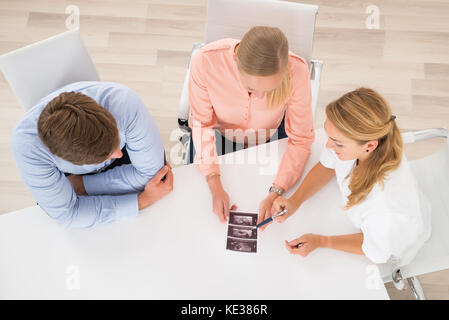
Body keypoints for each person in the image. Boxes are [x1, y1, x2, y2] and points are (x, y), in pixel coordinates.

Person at [271, 87, 431, 267]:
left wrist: (322, 241)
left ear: (369, 146)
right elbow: (327, 166)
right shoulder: (359, 142)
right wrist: (295, 201)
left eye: (337, 144)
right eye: (329, 136)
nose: (328, 146)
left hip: (390, 244)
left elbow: (373, 250)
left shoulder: (384, 209)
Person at [188, 26, 314, 224]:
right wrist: (214, 182)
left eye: (270, 89)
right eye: (251, 88)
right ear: (237, 63)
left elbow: (301, 138)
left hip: (270, 136)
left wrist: (276, 191)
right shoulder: (205, 61)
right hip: (219, 135)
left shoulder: (296, 70)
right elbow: (202, 123)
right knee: (197, 206)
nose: (260, 96)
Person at [10, 81, 173, 229]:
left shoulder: (125, 103)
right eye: (109, 154)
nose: (118, 153)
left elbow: (153, 176)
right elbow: (68, 215)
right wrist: (141, 201)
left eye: (116, 140)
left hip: (76, 178)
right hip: (64, 172)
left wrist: (83, 185)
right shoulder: (27, 149)